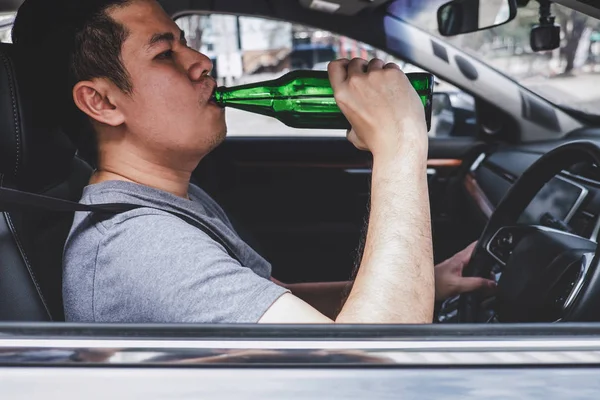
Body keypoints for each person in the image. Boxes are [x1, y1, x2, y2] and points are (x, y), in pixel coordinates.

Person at [12, 0, 496, 324]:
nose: (201, 60)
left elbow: (264, 298)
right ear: (101, 102)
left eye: (186, 41)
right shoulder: (137, 244)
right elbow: (371, 369)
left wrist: (423, 283)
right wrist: (399, 147)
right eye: (165, 54)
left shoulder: (167, 200)